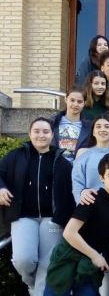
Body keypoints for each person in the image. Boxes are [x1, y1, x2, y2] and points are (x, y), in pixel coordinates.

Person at [0, 117, 75, 296]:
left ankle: (38, 293)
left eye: (45, 132)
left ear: (52, 135)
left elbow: (71, 192)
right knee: (23, 260)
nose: (41, 135)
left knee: (47, 265)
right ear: (29, 133)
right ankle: (30, 283)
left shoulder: (62, 162)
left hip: (52, 220)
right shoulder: (16, 156)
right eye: (37, 131)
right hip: (23, 216)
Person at [43, 153, 109, 296]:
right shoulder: (91, 199)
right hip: (68, 256)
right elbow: (69, 233)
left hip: (89, 265)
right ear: (102, 178)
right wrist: (96, 256)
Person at [72, 115, 109, 204]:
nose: (102, 129)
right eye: (98, 126)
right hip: (90, 205)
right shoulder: (83, 153)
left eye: (107, 126)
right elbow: (77, 183)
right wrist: (81, 200)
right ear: (93, 132)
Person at [51, 86, 91, 162]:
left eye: (79, 102)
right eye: (72, 100)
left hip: (77, 169)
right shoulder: (53, 122)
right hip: (56, 168)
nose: (75, 104)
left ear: (84, 103)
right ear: (66, 99)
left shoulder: (89, 127)